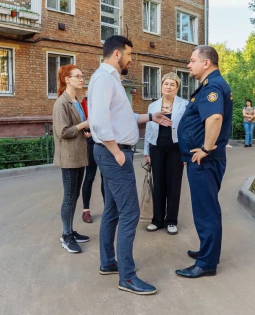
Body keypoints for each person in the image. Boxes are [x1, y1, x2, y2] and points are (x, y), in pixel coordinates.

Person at [88, 35, 171, 295]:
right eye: (129, 54)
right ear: (116, 55)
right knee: (130, 214)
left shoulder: (111, 79)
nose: (131, 59)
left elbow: (123, 117)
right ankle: (127, 276)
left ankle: (107, 262)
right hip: (114, 154)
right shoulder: (104, 79)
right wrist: (116, 151)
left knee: (113, 210)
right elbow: (100, 121)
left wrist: (150, 117)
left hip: (113, 153)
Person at [175, 45, 233, 278]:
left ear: (206, 63)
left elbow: (215, 117)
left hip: (204, 161)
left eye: (192, 60)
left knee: (205, 211)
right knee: (206, 208)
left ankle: (207, 263)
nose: (189, 65)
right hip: (204, 160)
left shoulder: (213, 86)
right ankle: (208, 252)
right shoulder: (211, 85)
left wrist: (206, 149)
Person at [144, 72, 188, 235]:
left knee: (174, 185)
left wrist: (186, 153)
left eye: (172, 84)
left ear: (177, 88)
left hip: (176, 149)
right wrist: (147, 152)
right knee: (159, 184)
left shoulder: (184, 105)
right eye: (166, 84)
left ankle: (171, 221)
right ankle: (157, 220)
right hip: (157, 148)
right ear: (161, 86)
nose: (168, 87)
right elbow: (149, 129)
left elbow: (187, 130)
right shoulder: (153, 106)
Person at [53, 64, 91, 254]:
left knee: (75, 194)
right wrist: (83, 124)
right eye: (77, 76)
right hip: (68, 157)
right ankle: (66, 235)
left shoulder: (77, 100)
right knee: (69, 196)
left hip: (79, 154)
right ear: (67, 79)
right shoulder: (61, 102)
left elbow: (76, 128)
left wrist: (85, 131)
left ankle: (70, 230)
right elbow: (62, 131)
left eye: (82, 75)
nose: (81, 79)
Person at [80, 93, 105, 223]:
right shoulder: (84, 102)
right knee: (89, 176)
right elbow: (80, 120)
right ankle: (86, 211)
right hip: (91, 142)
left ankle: (108, 209)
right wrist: (85, 132)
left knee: (105, 177)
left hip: (105, 142)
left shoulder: (103, 101)